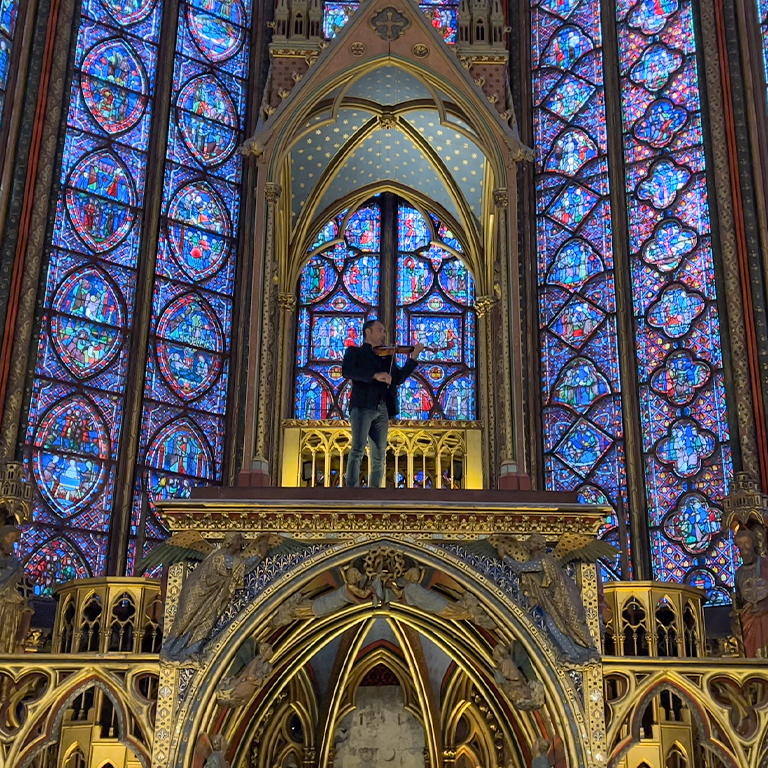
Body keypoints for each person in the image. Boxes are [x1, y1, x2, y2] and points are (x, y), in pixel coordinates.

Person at [342, 319, 423, 487]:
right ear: (368, 332)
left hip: (383, 407)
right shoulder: (354, 352)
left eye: (384, 331)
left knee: (379, 454)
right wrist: (375, 375)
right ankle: (350, 490)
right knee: (357, 448)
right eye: (380, 330)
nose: (384, 334)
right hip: (363, 405)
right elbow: (348, 371)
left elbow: (398, 378)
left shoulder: (387, 357)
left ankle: (375, 491)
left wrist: (413, 358)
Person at [733, 527, 768, 658]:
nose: (744, 547)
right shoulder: (739, 573)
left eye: (746, 543)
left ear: (754, 543)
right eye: (740, 544)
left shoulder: (765, 565)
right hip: (748, 617)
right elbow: (740, 599)